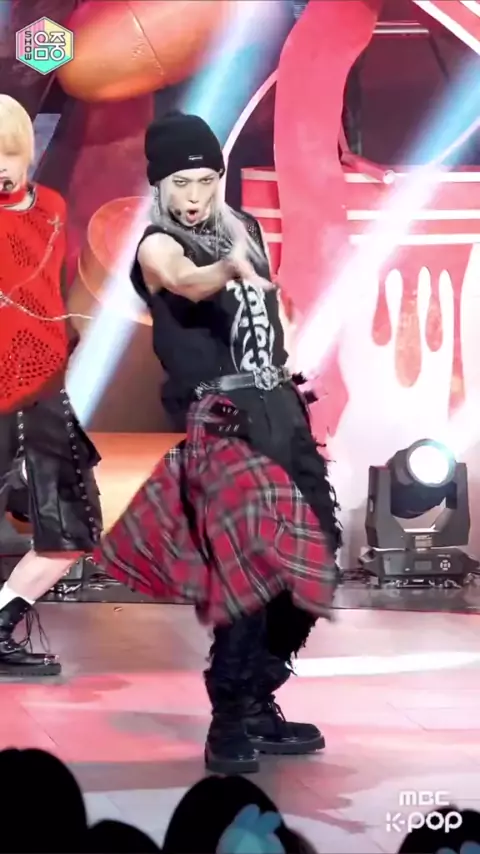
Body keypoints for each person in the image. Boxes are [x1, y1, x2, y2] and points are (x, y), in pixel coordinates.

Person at [93, 111, 342, 774]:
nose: (195, 195)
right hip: (221, 418)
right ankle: (229, 718)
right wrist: (227, 266)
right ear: (160, 185)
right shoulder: (155, 244)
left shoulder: (246, 229)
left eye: (205, 179)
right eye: (181, 182)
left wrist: (290, 361)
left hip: (280, 408)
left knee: (318, 554)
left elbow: (269, 304)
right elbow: (185, 280)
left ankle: (258, 693)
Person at [0, 95, 102, 677]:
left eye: (9, 152)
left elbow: (42, 288)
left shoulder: (53, 209)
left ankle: (0, 623)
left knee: (70, 529)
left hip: (40, 394)